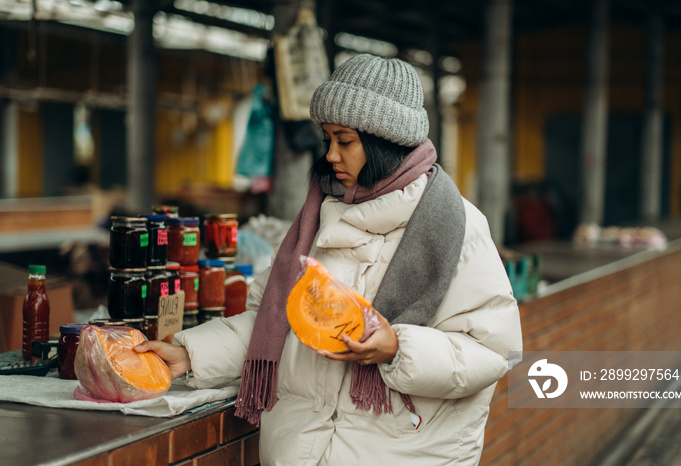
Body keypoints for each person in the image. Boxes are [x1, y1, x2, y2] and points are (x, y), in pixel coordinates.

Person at [136, 53, 522, 465]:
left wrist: (398, 348)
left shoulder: (455, 226)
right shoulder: (317, 218)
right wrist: (193, 354)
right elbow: (273, 319)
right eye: (328, 140)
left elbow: (492, 350)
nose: (332, 155)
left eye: (345, 140)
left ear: (384, 142)